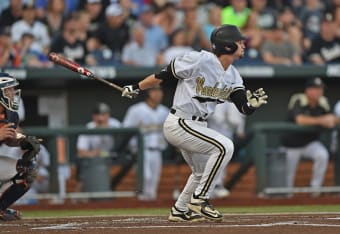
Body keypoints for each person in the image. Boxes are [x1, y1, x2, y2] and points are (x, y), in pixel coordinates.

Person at [121, 24, 268, 222]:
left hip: (198, 126)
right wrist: (136, 87)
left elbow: (243, 108)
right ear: (227, 46)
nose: (243, 44)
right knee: (225, 147)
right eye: (239, 41)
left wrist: (253, 105)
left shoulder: (233, 74)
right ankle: (200, 199)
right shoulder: (199, 59)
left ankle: (180, 209)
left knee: (200, 173)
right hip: (180, 122)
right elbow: (163, 76)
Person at [281, 77, 337, 197]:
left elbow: (331, 118)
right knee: (288, 175)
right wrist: (322, 120)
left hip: (309, 143)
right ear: (308, 90)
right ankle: (286, 197)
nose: (319, 92)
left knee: (322, 155)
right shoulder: (298, 99)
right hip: (291, 144)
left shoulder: (323, 102)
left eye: (320, 89)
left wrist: (331, 119)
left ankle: (315, 190)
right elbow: (300, 120)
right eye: (315, 89)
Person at [0, 72, 41, 220]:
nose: (12, 93)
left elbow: (9, 138)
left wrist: (23, 141)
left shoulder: (10, 115)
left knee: (28, 170)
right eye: (8, 90)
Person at [123, 87, 169, 201]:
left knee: (153, 182)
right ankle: (139, 204)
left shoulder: (164, 111)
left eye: (160, 91)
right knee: (145, 178)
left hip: (157, 150)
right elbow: (126, 130)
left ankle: (148, 210)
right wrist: (132, 149)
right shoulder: (136, 110)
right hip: (141, 151)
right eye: (155, 91)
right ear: (148, 94)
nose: (158, 94)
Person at [207, 101, 247, 199]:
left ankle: (218, 185)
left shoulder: (233, 99)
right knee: (211, 160)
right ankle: (211, 186)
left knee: (224, 160)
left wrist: (240, 130)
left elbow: (239, 116)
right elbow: (212, 116)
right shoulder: (213, 97)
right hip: (212, 133)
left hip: (227, 134)